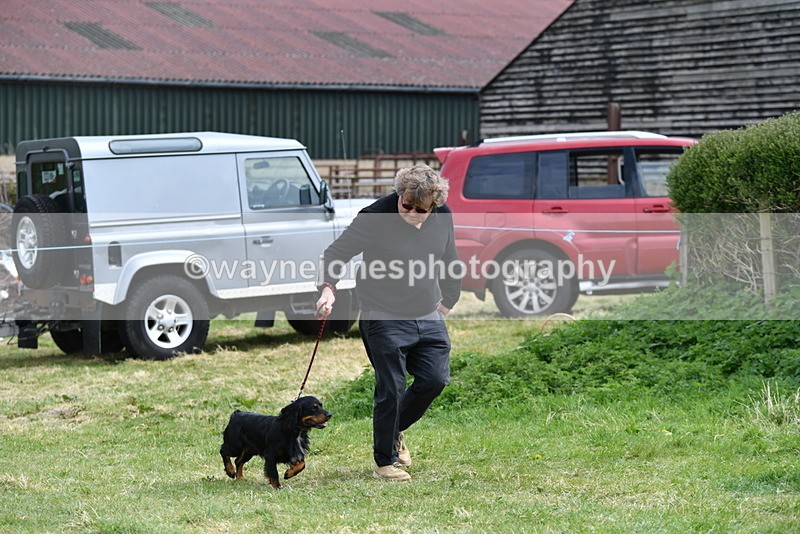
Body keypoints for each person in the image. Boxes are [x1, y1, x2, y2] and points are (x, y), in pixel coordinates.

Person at [315, 164, 462, 482]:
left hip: (427, 311)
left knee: (434, 380)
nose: (410, 211)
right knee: (392, 387)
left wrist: (449, 299)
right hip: (382, 313)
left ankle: (394, 430)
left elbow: (450, 257)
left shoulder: (443, 215)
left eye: (418, 209)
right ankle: (385, 462)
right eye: (405, 204)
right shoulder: (374, 217)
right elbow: (336, 253)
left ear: (433, 206)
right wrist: (328, 288)